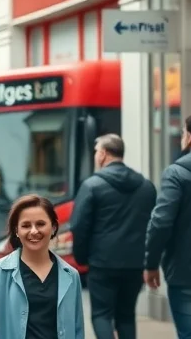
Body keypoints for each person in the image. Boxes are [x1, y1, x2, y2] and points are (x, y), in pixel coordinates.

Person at [69, 134, 155, 339]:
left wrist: (81, 258)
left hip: (102, 262)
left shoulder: (92, 186)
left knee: (101, 314)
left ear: (103, 154)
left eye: (97, 151)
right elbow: (154, 226)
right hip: (135, 263)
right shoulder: (146, 187)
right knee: (126, 316)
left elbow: (79, 225)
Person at [0, 194, 85, 339]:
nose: (34, 231)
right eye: (26, 225)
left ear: (53, 228)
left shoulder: (71, 275)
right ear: (16, 230)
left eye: (40, 224)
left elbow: (77, 331)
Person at [144, 112, 191, 339]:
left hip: (188, 274)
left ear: (190, 137)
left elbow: (161, 222)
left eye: (183, 132)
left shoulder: (177, 173)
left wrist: (151, 264)